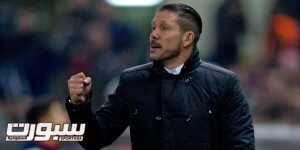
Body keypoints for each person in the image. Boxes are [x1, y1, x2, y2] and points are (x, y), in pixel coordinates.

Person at [66, 3, 255, 150]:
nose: (154, 35)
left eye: (164, 28)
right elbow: (93, 139)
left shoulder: (223, 83)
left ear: (187, 38)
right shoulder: (132, 82)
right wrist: (79, 105)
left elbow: (242, 146)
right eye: (153, 28)